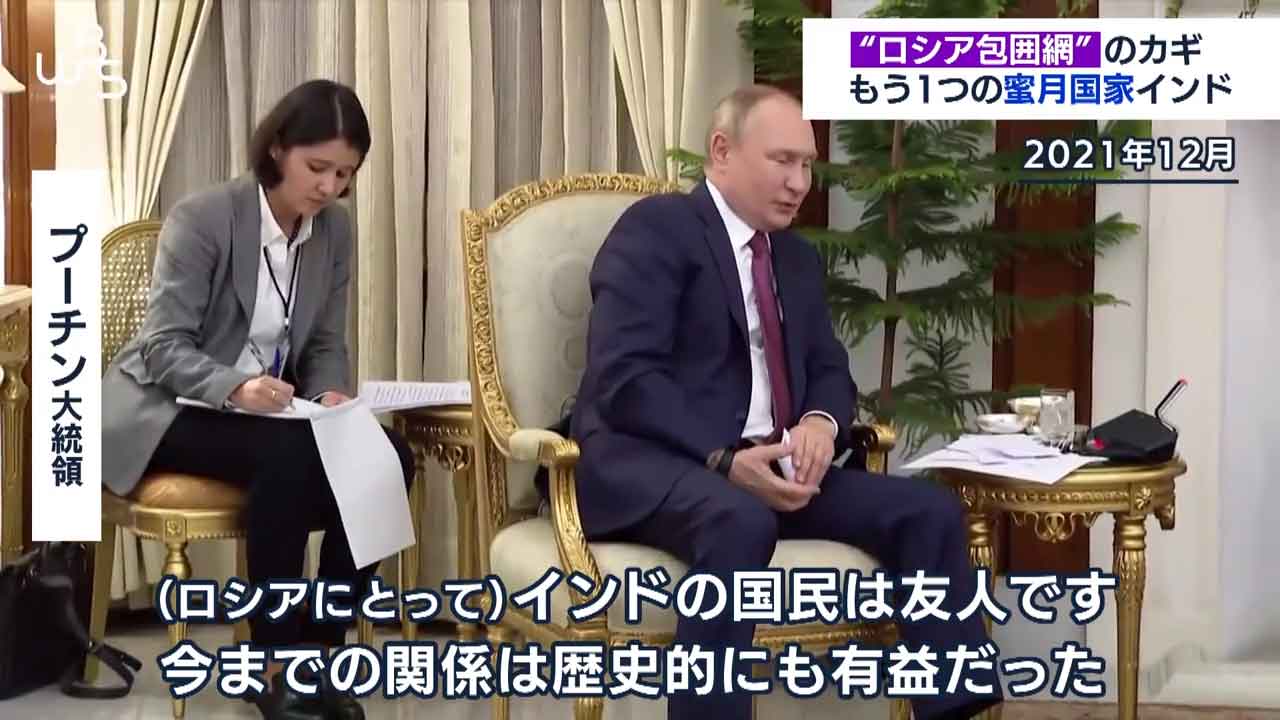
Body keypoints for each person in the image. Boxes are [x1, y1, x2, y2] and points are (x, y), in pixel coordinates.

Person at [569, 84, 1004, 720]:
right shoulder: (658, 229)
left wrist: (820, 426)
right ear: (722, 151)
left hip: (769, 466)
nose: (800, 183)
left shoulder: (794, 257)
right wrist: (723, 460)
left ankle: (955, 711)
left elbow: (828, 367)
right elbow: (625, 378)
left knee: (928, 511)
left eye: (807, 165)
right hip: (654, 462)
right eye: (782, 161)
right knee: (739, 520)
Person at [101, 79, 411, 720]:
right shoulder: (205, 218)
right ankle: (271, 663)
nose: (329, 187)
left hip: (271, 411)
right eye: (316, 167)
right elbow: (163, 347)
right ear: (277, 149)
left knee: (387, 459)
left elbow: (323, 341)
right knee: (287, 460)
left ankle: (320, 654)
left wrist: (330, 395)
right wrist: (236, 386)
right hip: (170, 405)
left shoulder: (334, 231)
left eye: (344, 174)